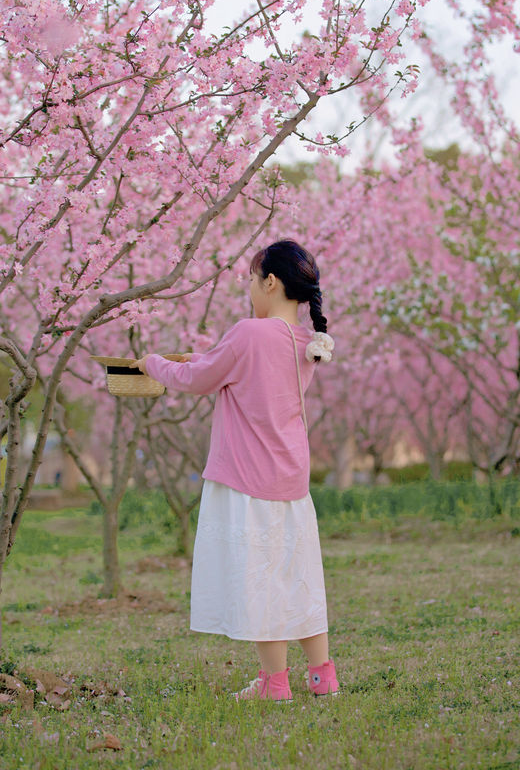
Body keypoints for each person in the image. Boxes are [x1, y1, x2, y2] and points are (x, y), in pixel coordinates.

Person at [132, 239, 339, 701]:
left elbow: (196, 380)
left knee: (261, 579)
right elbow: (239, 373)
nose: (248, 288)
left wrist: (154, 364)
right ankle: (322, 676)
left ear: (270, 281)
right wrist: (201, 358)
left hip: (248, 481)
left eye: (250, 278)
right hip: (290, 481)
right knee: (297, 576)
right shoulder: (307, 344)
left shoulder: (249, 332)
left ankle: (274, 684)